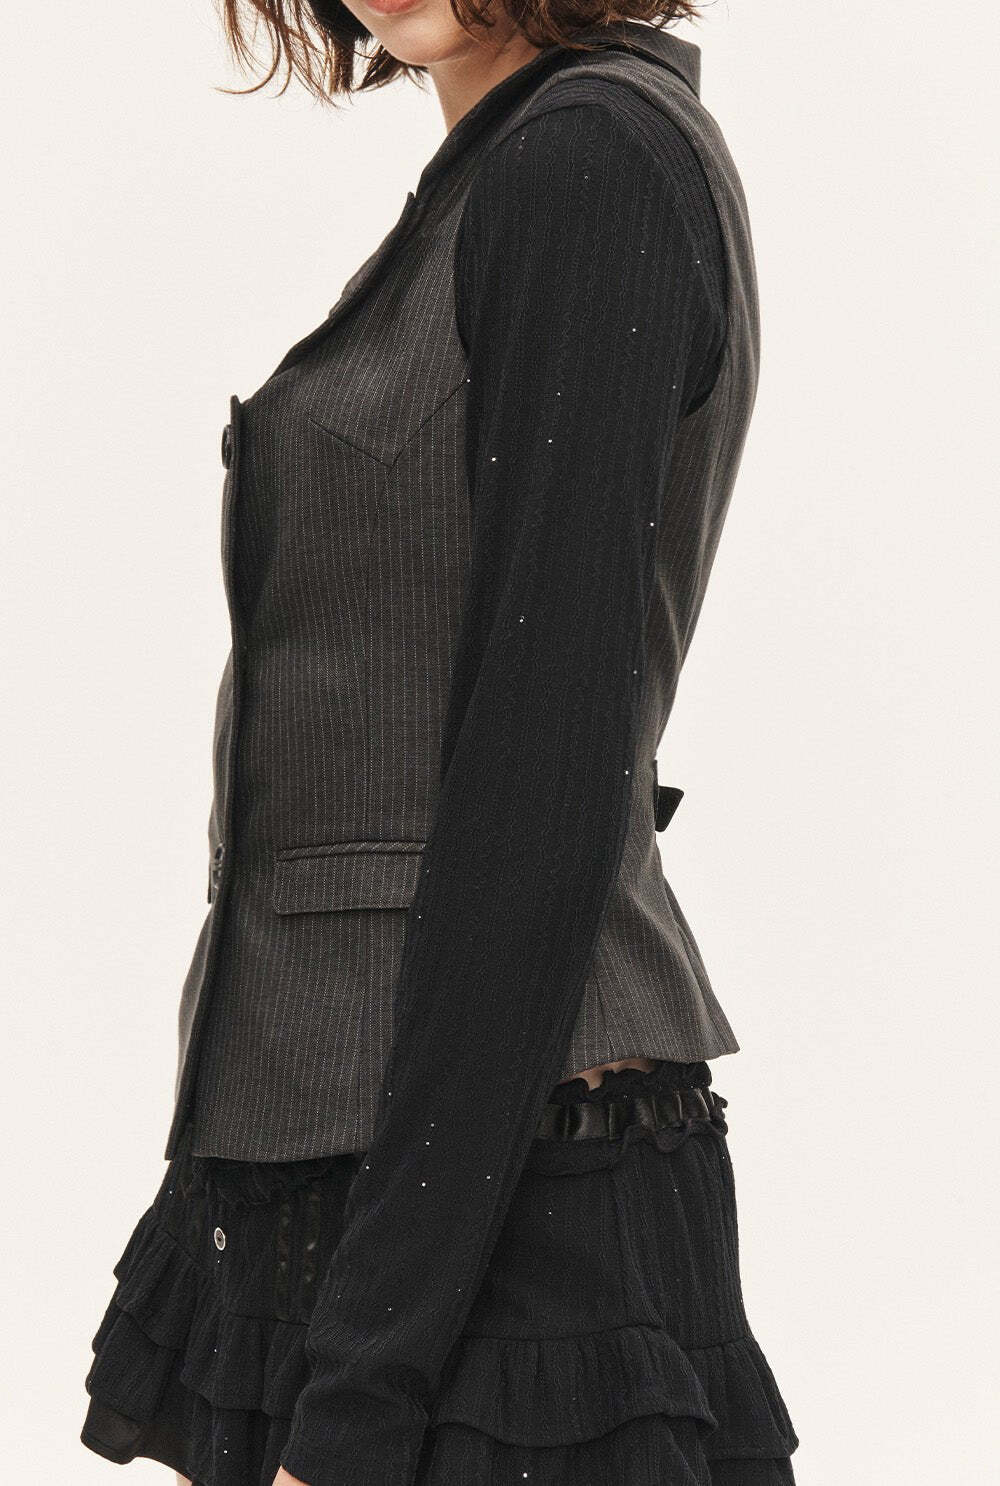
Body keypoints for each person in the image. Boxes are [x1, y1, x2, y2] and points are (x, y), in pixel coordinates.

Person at [81, 2, 799, 1483]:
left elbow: (538, 785)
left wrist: (365, 1386)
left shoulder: (588, 164)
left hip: (493, 1219)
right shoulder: (505, 173)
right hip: (375, 1179)